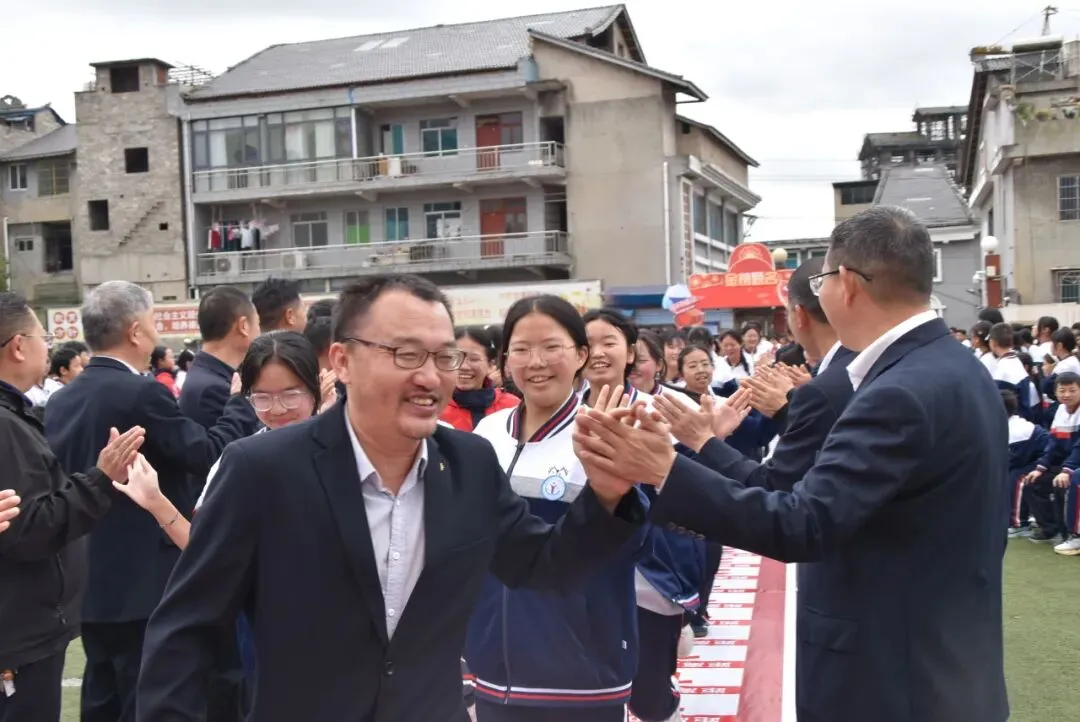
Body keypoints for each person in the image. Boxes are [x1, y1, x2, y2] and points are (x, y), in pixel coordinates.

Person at [135, 274, 648, 722]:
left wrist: (606, 496)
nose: (429, 377)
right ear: (343, 360)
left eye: (443, 357)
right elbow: (187, 628)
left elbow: (543, 565)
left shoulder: (469, 464)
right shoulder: (262, 470)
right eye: (406, 354)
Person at [575, 206, 1010, 722]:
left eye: (823, 281)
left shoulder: (897, 391)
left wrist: (665, 467)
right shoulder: (954, 367)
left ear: (848, 284)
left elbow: (803, 522)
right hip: (942, 665)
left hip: (892, 681)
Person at [44, 281, 258, 722]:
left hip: (86, 576)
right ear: (136, 331)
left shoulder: (62, 399)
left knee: (100, 697)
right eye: (153, 322)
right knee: (147, 697)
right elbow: (205, 453)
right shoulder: (140, 393)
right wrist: (240, 404)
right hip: (144, 576)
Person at [0, 291, 145, 722]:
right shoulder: (6, 425)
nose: (48, 348)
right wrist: (101, 477)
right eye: (42, 338)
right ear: (18, 346)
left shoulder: (17, 413)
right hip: (22, 630)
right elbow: (30, 527)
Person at [180, 286, 260, 429]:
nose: (260, 332)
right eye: (258, 324)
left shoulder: (207, 375)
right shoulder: (214, 389)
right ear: (243, 326)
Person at [440, 326, 518, 432]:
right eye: (456, 357)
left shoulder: (512, 406)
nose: (464, 366)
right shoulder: (435, 409)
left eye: (474, 359)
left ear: (491, 364)